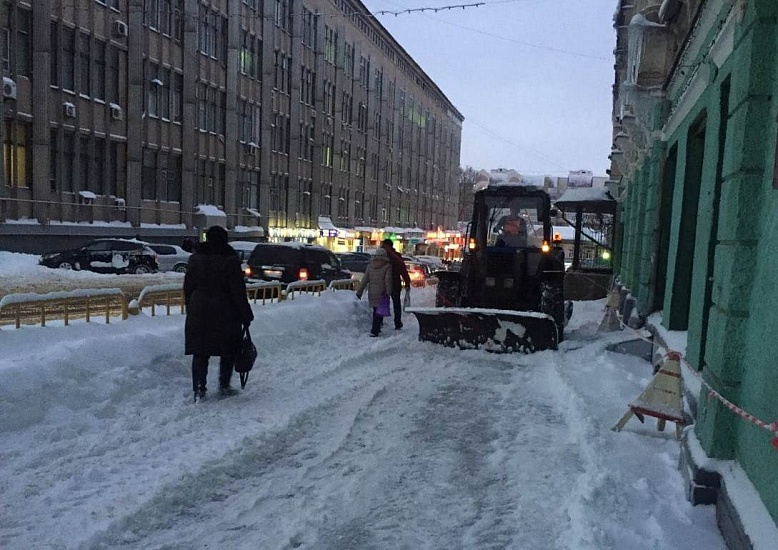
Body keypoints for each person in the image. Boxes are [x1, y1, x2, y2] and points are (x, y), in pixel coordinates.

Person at [184, 225, 254, 401]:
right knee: (228, 349)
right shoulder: (229, 259)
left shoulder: (195, 259)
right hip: (225, 312)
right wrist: (245, 314)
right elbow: (237, 290)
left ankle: (199, 388)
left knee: (200, 352)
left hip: (199, 309)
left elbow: (188, 287)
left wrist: (191, 306)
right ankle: (224, 385)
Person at [355, 247, 393, 337]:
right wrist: (389, 291)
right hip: (382, 292)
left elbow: (365, 279)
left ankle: (377, 328)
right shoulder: (387, 266)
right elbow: (388, 280)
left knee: (376, 310)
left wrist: (359, 291)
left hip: (372, 292)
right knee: (379, 311)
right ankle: (375, 330)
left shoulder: (370, 265)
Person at [380, 238, 411, 330]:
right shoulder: (396, 256)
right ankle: (397, 322)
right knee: (395, 303)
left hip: (385, 283)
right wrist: (407, 282)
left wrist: (407, 281)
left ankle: (380, 321)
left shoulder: (383, 256)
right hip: (394, 283)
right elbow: (403, 270)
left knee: (384, 302)